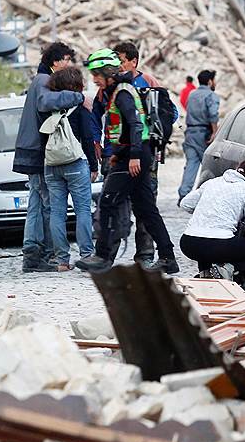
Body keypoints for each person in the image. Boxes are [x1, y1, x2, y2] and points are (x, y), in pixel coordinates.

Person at [76, 49, 179, 274]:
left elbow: (135, 124)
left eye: (97, 75)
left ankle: (103, 256)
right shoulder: (117, 91)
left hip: (135, 156)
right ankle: (168, 258)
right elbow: (122, 127)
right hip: (132, 154)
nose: (94, 79)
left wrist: (132, 156)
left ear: (108, 73)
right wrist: (119, 153)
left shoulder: (122, 93)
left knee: (108, 202)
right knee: (146, 210)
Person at [12, 42, 86, 273]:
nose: (68, 64)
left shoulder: (40, 79)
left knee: (37, 202)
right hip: (37, 151)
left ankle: (33, 254)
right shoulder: (43, 80)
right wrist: (78, 97)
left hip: (32, 150)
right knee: (43, 205)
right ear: (55, 61)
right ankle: (38, 255)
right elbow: (46, 102)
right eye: (66, 59)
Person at [180, 159, 245, 289]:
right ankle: (227, 269)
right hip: (218, 244)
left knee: (207, 241)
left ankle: (206, 273)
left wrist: (206, 211)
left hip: (189, 243)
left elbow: (185, 204)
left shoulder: (212, 182)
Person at [44, 68, 99, 272]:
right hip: (75, 163)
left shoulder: (48, 108)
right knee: (82, 210)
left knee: (57, 213)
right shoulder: (80, 108)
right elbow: (87, 137)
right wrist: (93, 165)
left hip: (51, 165)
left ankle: (62, 260)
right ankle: (86, 255)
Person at [179, 69, 219, 202]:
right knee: (209, 166)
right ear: (210, 81)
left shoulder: (192, 94)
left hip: (190, 133)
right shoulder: (211, 95)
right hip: (204, 134)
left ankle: (184, 194)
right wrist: (214, 132)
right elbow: (213, 114)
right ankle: (209, 195)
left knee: (191, 163)